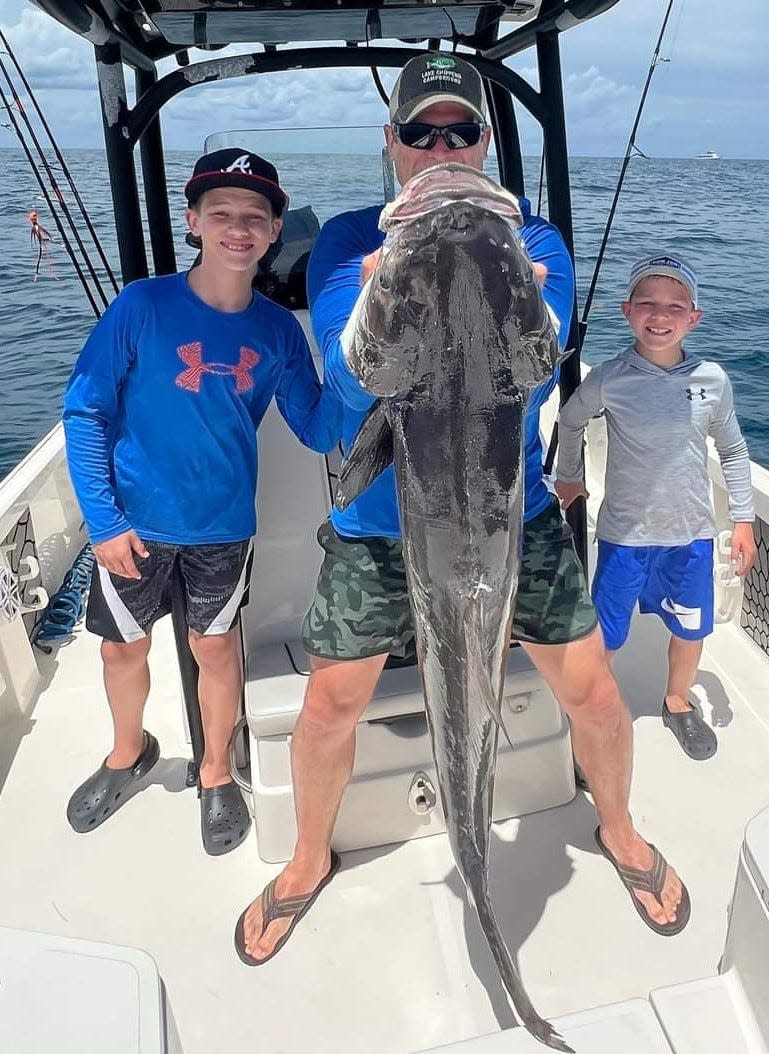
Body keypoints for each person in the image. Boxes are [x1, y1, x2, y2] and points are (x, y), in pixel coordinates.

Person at [235, 53, 690, 963]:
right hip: (377, 530)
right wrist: (383, 272)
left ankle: (620, 830)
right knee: (330, 705)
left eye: (460, 131)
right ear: (391, 143)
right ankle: (304, 859)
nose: (441, 146)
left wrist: (498, 266)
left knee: (594, 695)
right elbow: (353, 368)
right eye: (420, 132)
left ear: (485, 141)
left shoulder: (538, 241)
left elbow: (540, 351)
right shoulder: (347, 242)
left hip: (508, 516)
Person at [62, 148, 341, 856]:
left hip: (223, 525)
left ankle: (216, 771)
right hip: (133, 523)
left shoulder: (278, 331)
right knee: (122, 650)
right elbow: (85, 412)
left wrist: (359, 365)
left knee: (214, 650)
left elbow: (317, 428)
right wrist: (103, 523)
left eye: (254, 217)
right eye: (221, 214)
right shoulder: (142, 305)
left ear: (275, 230)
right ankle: (129, 752)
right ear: (193, 222)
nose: (238, 228)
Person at [555, 254, 756, 760]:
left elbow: (733, 450)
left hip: (690, 535)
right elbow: (571, 419)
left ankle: (677, 701)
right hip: (624, 534)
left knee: (692, 629)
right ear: (626, 311)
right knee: (607, 632)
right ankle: (598, 710)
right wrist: (571, 477)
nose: (659, 315)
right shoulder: (608, 376)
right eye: (646, 303)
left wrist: (744, 520)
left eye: (674, 306)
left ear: (694, 317)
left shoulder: (713, 380)